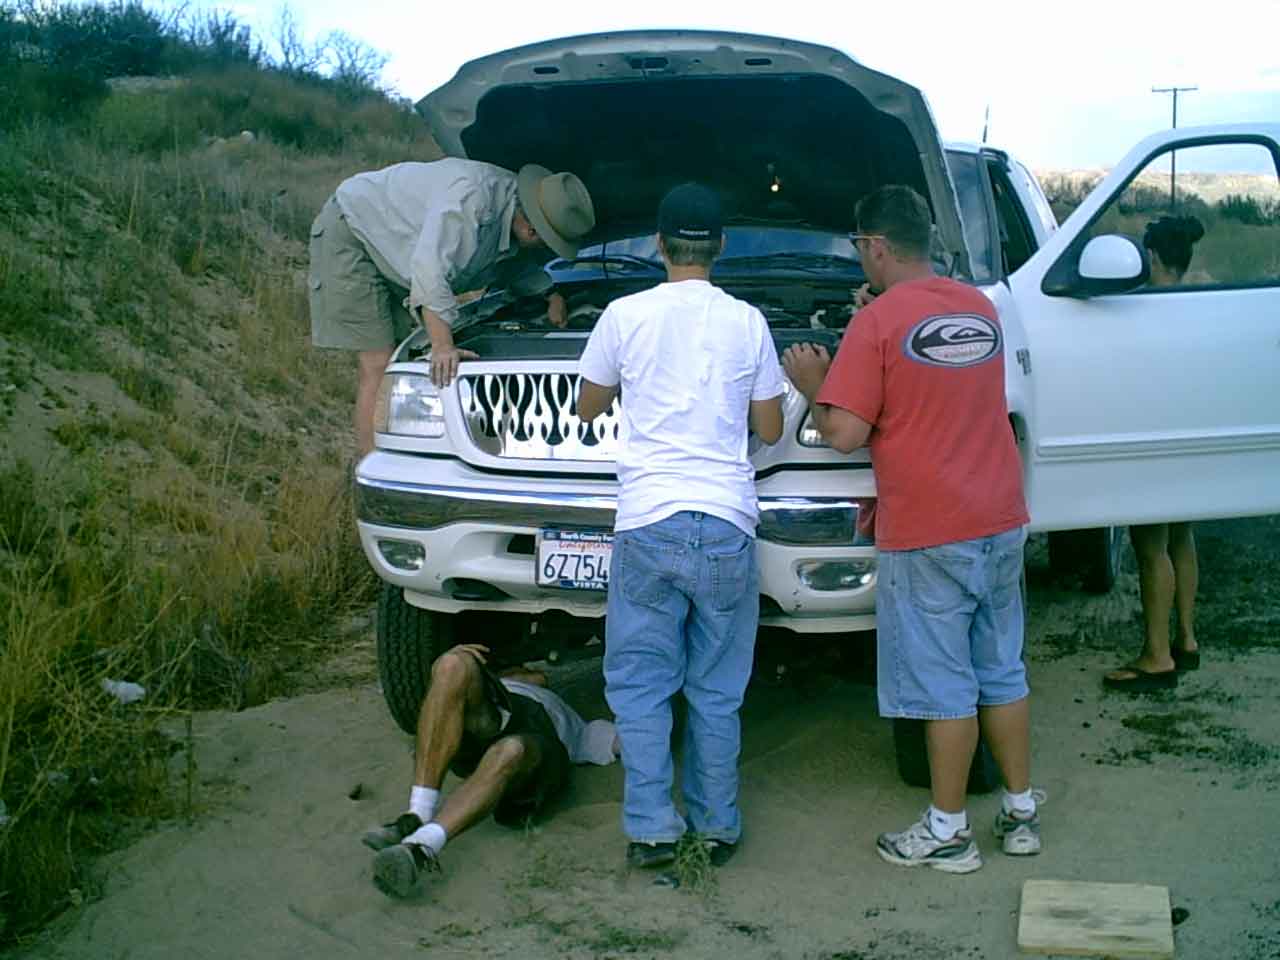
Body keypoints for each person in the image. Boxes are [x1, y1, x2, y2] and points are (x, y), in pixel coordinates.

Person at [782, 185, 1039, 874]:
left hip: (930, 529)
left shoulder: (875, 326)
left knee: (944, 687)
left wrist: (814, 379)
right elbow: (937, 373)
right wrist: (881, 320)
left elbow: (844, 433)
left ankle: (949, 832)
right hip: (1000, 516)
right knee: (1002, 671)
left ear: (875, 246)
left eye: (861, 250)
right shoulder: (978, 308)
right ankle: (1020, 815)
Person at [576, 183, 785, 870]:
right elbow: (770, 426)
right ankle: (718, 826)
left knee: (640, 685)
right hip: (726, 519)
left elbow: (587, 406)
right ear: (720, 246)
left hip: (648, 520)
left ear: (659, 246)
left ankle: (652, 830)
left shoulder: (623, 314)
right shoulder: (748, 321)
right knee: (717, 689)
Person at [308, 158, 596, 456]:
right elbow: (430, 272)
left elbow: (512, 267)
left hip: (399, 247)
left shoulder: (517, 210)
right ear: (531, 232)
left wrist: (550, 294)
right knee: (379, 363)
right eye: (548, 242)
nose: (546, 249)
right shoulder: (470, 200)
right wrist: (443, 345)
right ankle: (372, 470)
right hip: (355, 232)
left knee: (398, 352)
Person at [362, 643, 618, 898]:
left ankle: (422, 846)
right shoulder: (503, 689)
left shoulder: (577, 723)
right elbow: (443, 702)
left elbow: (624, 742)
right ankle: (416, 814)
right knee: (453, 663)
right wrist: (449, 661)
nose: (532, 672)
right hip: (486, 726)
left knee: (511, 749)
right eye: (520, 668)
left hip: (535, 749)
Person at [1103, 215, 1206, 692]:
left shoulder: (1140, 307)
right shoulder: (1202, 303)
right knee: (1181, 538)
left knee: (1150, 548)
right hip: (1191, 436)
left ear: (1152, 257)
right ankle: (1186, 638)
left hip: (1153, 440)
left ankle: (1156, 655)